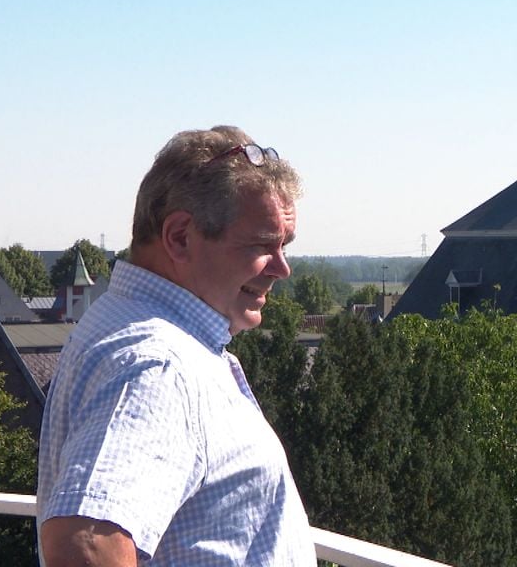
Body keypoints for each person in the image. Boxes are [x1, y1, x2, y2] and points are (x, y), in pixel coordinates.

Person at [37, 126, 315, 566]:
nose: (282, 268)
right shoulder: (160, 365)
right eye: (263, 244)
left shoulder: (125, 323)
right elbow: (85, 541)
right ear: (180, 236)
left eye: (285, 246)